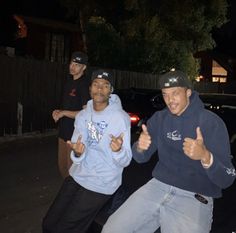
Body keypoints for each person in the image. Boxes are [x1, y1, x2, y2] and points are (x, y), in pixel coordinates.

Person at [102, 70, 236, 233]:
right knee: (112, 229)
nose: (170, 100)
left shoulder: (211, 123)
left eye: (175, 93)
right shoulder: (160, 118)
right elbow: (140, 158)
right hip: (158, 186)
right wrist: (140, 147)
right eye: (165, 94)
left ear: (188, 92)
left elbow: (227, 178)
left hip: (195, 195)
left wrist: (205, 156)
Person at [42, 69, 132, 233]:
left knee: (66, 228)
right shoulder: (83, 115)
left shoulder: (120, 118)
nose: (99, 89)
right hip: (79, 174)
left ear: (111, 90)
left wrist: (118, 150)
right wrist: (77, 153)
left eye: (105, 86)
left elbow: (125, 161)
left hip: (102, 181)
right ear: (90, 88)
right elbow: (77, 153)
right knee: (48, 224)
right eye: (96, 84)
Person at [52, 51, 90, 178]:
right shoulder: (69, 81)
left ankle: (73, 196)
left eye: (77, 65)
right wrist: (58, 111)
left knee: (72, 170)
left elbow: (86, 113)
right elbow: (66, 107)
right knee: (62, 167)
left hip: (75, 135)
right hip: (63, 132)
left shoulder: (84, 85)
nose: (72, 67)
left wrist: (64, 113)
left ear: (84, 67)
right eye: (71, 63)